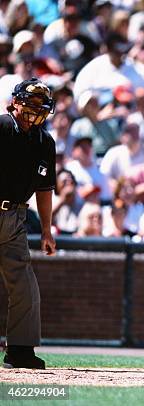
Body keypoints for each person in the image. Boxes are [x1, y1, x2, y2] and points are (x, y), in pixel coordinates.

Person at [0, 78, 57, 369]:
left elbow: (45, 189)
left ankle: (20, 350)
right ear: (16, 101)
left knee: (24, 284)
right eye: (31, 102)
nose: (36, 110)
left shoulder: (44, 141)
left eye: (41, 105)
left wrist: (46, 229)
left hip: (16, 217)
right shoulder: (1, 126)